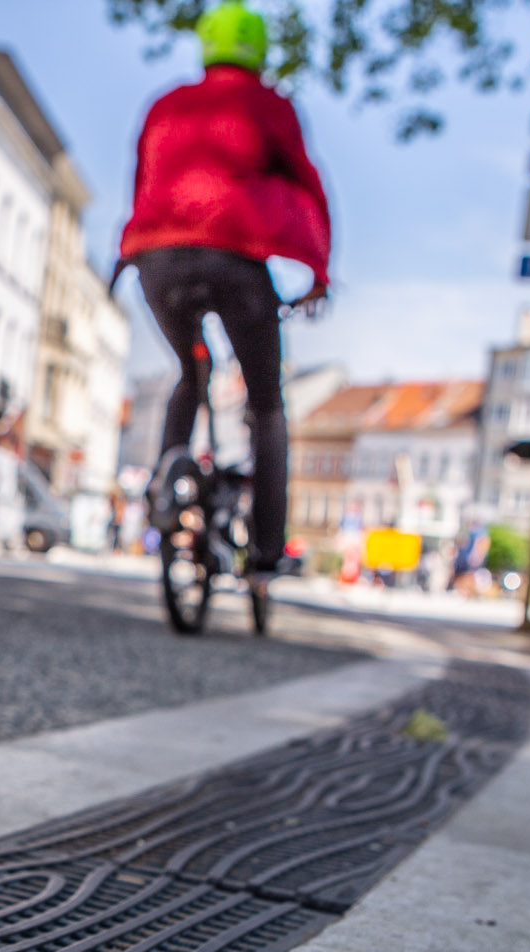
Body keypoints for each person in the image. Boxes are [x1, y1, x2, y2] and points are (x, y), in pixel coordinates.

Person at [119, 1, 331, 583]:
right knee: (266, 404)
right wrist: (317, 269)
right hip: (235, 259)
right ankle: (264, 555)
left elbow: (142, 182)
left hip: (157, 259)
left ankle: (167, 483)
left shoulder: (166, 103)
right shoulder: (267, 104)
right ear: (259, 51)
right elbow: (304, 180)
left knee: (191, 374)